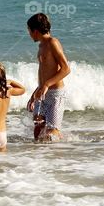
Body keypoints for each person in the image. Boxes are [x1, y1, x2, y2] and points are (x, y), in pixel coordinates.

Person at [26, 12, 71, 142]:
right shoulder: (41, 46)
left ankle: (60, 154)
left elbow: (66, 69)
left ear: (35, 31)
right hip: (42, 93)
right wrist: (35, 94)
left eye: (29, 31)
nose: (29, 34)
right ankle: (38, 160)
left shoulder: (53, 42)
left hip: (55, 94)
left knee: (52, 132)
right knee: (38, 130)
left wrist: (46, 85)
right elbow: (43, 73)